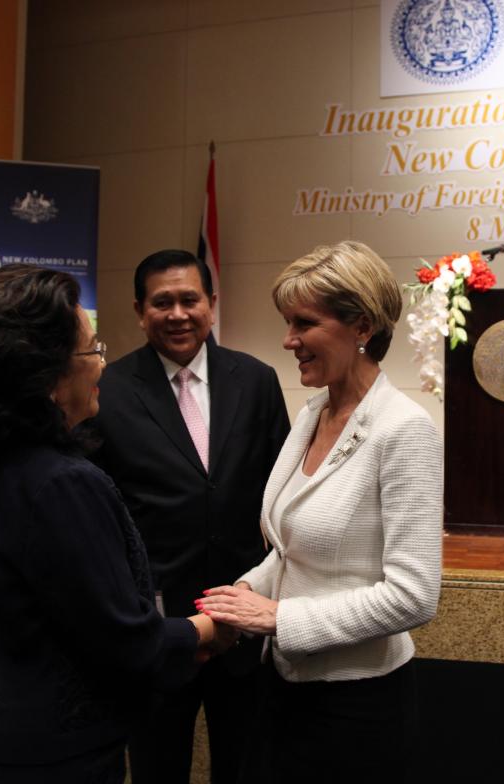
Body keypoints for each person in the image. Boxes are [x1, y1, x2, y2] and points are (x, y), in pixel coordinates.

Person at [0, 265, 231, 782]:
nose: (101, 367)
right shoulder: (63, 484)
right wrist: (215, 626)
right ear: (47, 377)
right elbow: (127, 642)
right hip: (46, 755)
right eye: (93, 351)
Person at [199, 240, 443, 784]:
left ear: (361, 326)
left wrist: (279, 619)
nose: (288, 341)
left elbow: (414, 596)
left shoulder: (404, 430)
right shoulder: (313, 412)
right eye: (288, 323)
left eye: (303, 323)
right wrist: (239, 599)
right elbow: (292, 549)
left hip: (357, 706)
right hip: (283, 686)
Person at [89, 249, 290, 784]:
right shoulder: (104, 391)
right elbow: (96, 508)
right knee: (157, 767)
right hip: (155, 626)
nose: (177, 313)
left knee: (246, 766)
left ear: (211, 303)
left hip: (244, 621)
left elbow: (283, 495)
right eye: (162, 303)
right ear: (139, 310)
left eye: (189, 300)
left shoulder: (258, 381)